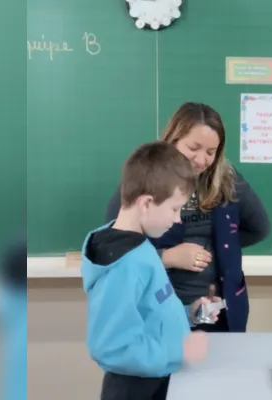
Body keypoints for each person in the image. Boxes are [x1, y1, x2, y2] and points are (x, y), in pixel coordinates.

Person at [105, 102, 271, 333]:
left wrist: (219, 247)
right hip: (161, 310)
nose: (201, 160)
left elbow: (259, 228)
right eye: (193, 148)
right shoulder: (145, 179)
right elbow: (112, 248)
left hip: (220, 310)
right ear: (172, 140)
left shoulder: (227, 181)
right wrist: (167, 257)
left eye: (211, 152)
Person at [82, 142, 221, 400]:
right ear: (146, 203)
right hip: (134, 390)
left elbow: (150, 312)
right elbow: (112, 348)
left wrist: (188, 313)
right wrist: (180, 351)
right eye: (174, 208)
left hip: (156, 380)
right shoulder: (123, 264)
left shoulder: (140, 246)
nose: (178, 219)